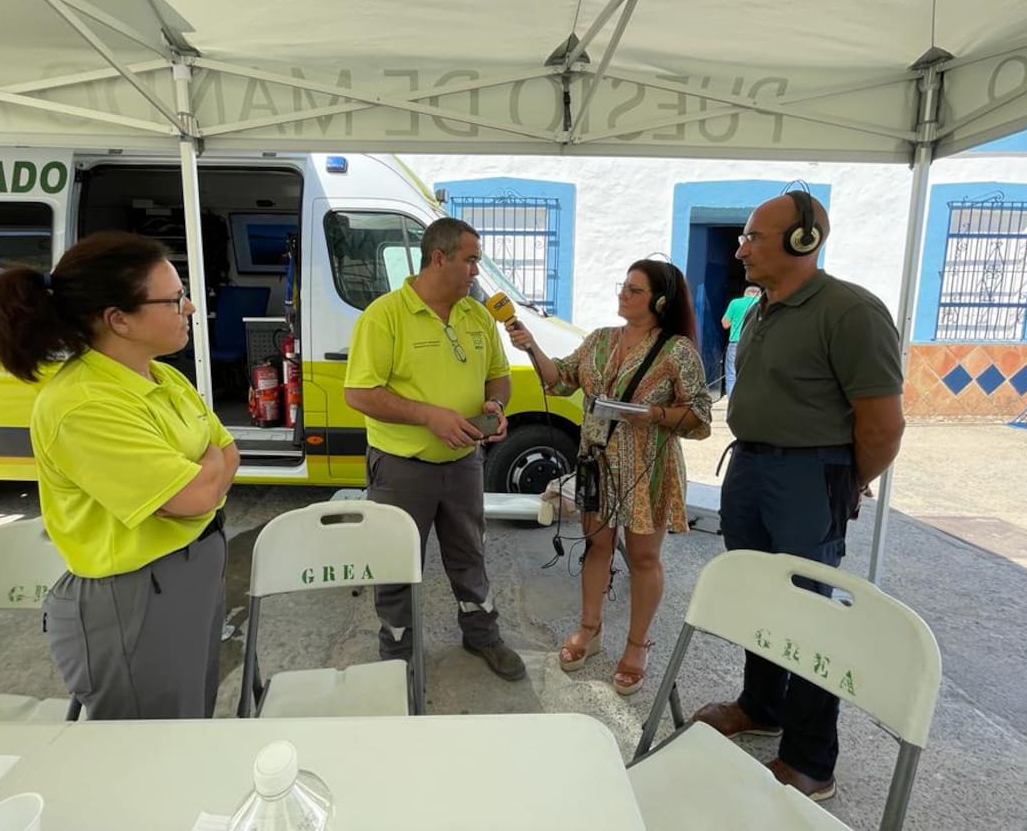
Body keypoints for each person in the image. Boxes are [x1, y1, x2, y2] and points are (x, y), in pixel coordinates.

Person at [0, 231, 239, 719]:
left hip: (190, 571)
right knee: (147, 741)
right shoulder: (83, 404)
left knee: (191, 722)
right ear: (119, 319)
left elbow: (229, 453)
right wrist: (204, 472)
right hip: (136, 596)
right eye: (174, 298)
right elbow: (197, 494)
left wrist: (202, 475)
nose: (190, 307)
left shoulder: (162, 375)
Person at [691, 193, 905, 800]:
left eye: (753, 237)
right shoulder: (761, 308)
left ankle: (811, 761)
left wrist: (844, 482)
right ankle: (762, 706)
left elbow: (883, 427)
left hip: (810, 476)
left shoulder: (851, 312)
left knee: (811, 616)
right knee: (758, 598)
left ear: (803, 241)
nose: (741, 249)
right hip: (751, 468)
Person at [507, 259, 711, 695]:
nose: (623, 294)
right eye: (624, 286)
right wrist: (530, 346)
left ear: (659, 301)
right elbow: (560, 380)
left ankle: (637, 645)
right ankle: (589, 629)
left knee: (643, 558)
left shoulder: (677, 351)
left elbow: (699, 417)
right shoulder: (600, 340)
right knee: (596, 546)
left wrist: (653, 414)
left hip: (647, 468)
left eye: (635, 290)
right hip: (596, 463)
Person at [343, 217, 525, 681]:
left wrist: (495, 405)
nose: (476, 271)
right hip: (401, 468)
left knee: (470, 555)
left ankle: (481, 634)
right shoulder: (384, 316)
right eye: (471, 260)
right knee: (397, 560)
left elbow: (499, 378)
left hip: (464, 462)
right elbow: (359, 393)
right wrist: (429, 416)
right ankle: (398, 653)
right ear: (439, 258)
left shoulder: (477, 315)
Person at [721, 284, 760, 395]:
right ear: (758, 294)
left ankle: (732, 401)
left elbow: (725, 324)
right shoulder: (762, 303)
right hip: (756, 343)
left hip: (736, 342)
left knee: (731, 374)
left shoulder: (735, 303)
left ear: (745, 294)